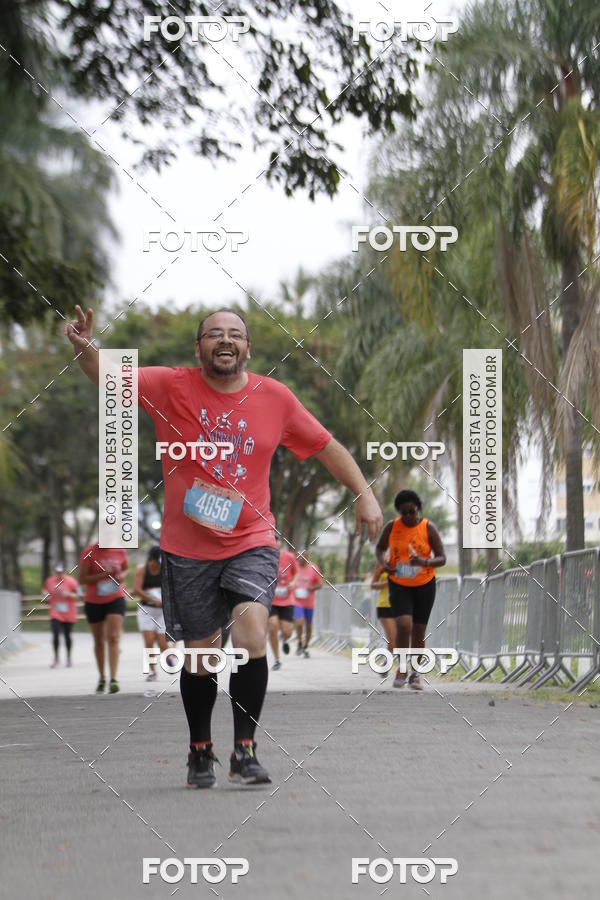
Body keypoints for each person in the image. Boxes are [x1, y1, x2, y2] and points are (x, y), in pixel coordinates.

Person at [66, 305, 383, 788]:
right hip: (187, 547)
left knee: (253, 632)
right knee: (201, 654)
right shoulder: (171, 386)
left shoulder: (274, 397)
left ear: (248, 348)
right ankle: (200, 750)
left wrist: (363, 492)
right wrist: (86, 347)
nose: (225, 340)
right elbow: (107, 377)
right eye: (214, 334)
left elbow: (325, 445)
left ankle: (245, 750)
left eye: (235, 334)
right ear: (199, 348)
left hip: (252, 539)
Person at [375, 490, 446, 691]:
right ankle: (402, 668)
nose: (408, 516)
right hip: (399, 583)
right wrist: (384, 563)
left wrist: (423, 561)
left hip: (424, 584)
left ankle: (415, 673)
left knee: (418, 630)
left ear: (418, 510)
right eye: (404, 513)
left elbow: (442, 558)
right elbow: (379, 549)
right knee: (404, 624)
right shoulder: (392, 527)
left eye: (412, 512)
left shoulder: (428, 528)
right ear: (399, 512)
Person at [78, 541, 129, 694]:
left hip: (115, 597)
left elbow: (126, 569)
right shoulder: (89, 552)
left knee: (113, 637)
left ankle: (113, 679)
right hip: (94, 601)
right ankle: (102, 677)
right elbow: (82, 579)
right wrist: (103, 574)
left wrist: (121, 575)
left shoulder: (120, 550)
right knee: (99, 641)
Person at [132, 546, 177, 681]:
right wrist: (152, 599)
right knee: (149, 641)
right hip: (147, 611)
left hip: (163, 612)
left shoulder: (166, 570)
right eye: (154, 562)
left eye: (158, 563)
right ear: (149, 560)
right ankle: (152, 671)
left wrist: (165, 600)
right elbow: (136, 590)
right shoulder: (142, 570)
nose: (156, 566)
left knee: (162, 643)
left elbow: (173, 588)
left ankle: (169, 655)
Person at [268, 537, 298, 670]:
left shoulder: (289, 556)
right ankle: (277, 659)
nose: (275, 542)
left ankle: (285, 639)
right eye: (272, 539)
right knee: (272, 627)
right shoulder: (265, 556)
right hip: (271, 599)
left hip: (287, 599)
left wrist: (293, 582)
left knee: (288, 631)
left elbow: (296, 573)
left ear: (281, 542)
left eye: (277, 539)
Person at [42, 562, 79, 668]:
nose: (59, 574)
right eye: (57, 572)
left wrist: (69, 594)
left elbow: (79, 595)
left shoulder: (72, 581)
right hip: (55, 612)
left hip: (69, 612)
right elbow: (45, 590)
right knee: (55, 633)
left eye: (61, 572)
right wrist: (45, 595)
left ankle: (68, 657)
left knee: (67, 635)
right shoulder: (50, 581)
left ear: (65, 571)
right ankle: (56, 657)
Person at [293, 550, 323, 658]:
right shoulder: (294, 567)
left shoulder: (313, 568)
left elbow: (320, 584)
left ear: (306, 557)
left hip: (309, 602)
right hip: (297, 601)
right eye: (298, 557)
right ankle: (299, 642)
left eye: (302, 557)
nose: (299, 559)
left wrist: (312, 587)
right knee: (299, 622)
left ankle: (305, 646)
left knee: (309, 626)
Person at [370, 561, 395, 676]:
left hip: (402, 605)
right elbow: (373, 585)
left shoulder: (405, 561)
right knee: (393, 641)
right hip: (385, 606)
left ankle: (387, 663)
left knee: (402, 640)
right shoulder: (381, 563)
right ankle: (388, 665)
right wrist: (387, 583)